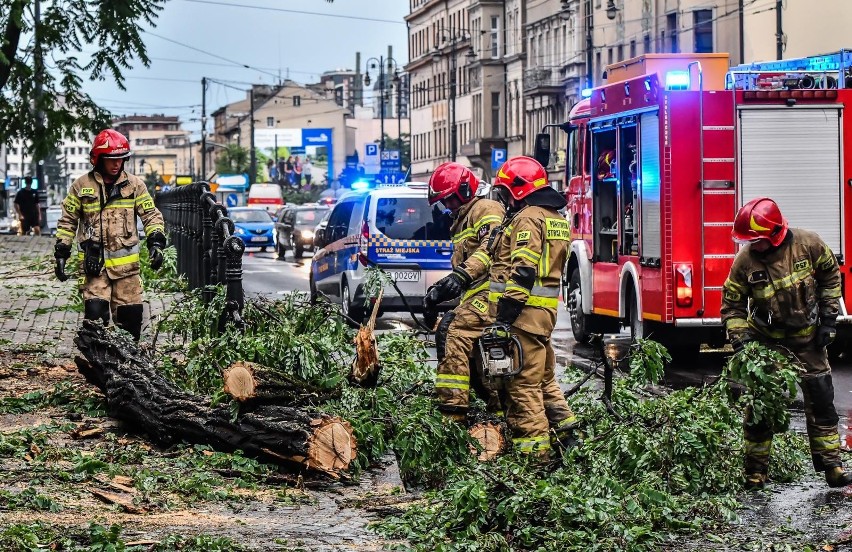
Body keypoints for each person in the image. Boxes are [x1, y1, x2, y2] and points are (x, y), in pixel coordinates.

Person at [721, 197, 852, 489]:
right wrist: (741, 342)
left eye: (757, 240)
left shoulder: (809, 244)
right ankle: (755, 474)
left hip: (808, 340)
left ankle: (833, 467)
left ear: (775, 232)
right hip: (766, 343)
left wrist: (829, 322)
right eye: (749, 241)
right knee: (761, 408)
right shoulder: (745, 261)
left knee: (821, 401)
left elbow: (831, 277)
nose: (753, 246)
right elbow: (732, 306)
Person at [483, 156, 576, 458]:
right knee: (546, 382)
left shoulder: (527, 219)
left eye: (506, 192)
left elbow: (523, 270)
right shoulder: (555, 218)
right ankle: (570, 444)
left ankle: (536, 463)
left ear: (518, 190)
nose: (504, 199)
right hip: (543, 317)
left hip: (522, 318)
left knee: (522, 389)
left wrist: (503, 319)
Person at [53, 129, 166, 342]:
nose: (117, 164)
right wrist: (61, 252)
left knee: (131, 322)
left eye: (121, 160)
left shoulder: (134, 185)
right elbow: (68, 221)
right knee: (95, 321)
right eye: (111, 160)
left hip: (127, 272)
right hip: (95, 268)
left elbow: (151, 215)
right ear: (99, 159)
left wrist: (156, 242)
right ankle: (98, 368)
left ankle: (128, 367)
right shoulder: (81, 186)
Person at [425, 162, 505, 421]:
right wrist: (438, 294)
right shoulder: (463, 219)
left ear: (463, 191)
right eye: (443, 202)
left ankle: (453, 411)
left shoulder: (486, 209)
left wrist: (460, 275)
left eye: (448, 199)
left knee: (454, 331)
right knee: (457, 334)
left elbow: (489, 248)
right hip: (481, 295)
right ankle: (495, 406)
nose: (447, 206)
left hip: (494, 295)